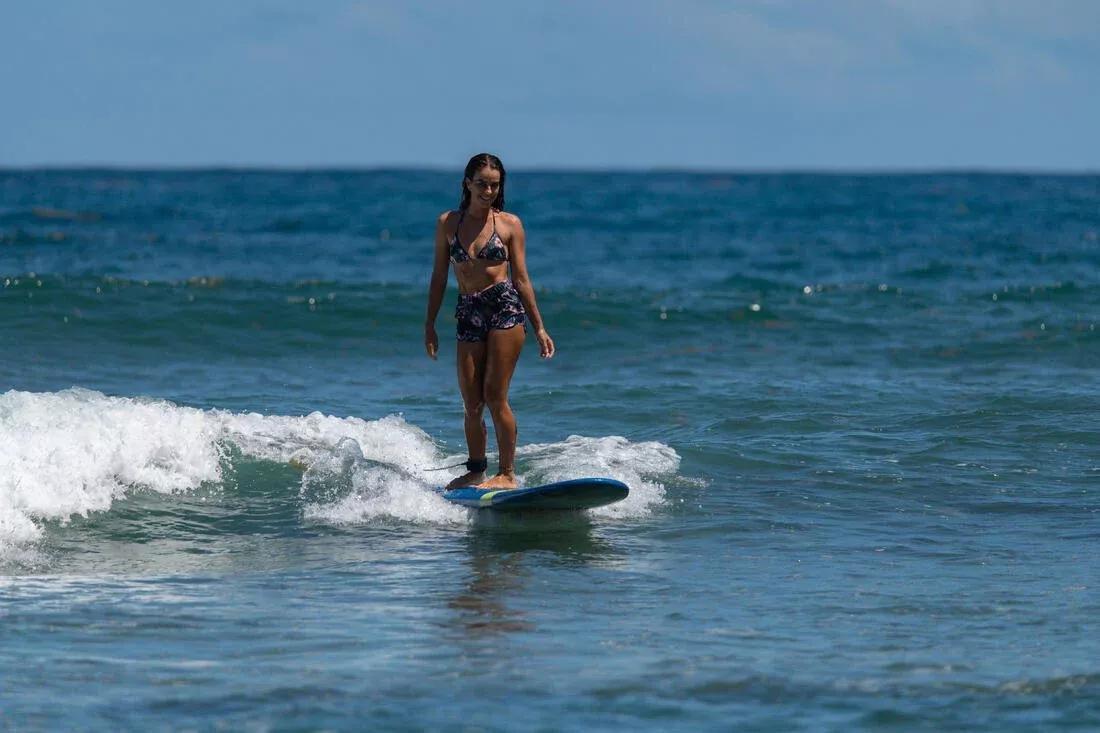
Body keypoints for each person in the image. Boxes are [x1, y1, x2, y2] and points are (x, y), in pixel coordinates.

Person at [425, 153, 555, 490]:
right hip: (468, 310)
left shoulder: (510, 225)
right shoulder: (448, 223)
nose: (488, 191)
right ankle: (476, 470)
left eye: (494, 185)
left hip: (504, 309)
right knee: (472, 403)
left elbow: (522, 279)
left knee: (495, 396)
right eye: (482, 184)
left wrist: (539, 327)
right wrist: (430, 324)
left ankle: (507, 474)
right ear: (467, 183)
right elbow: (439, 276)